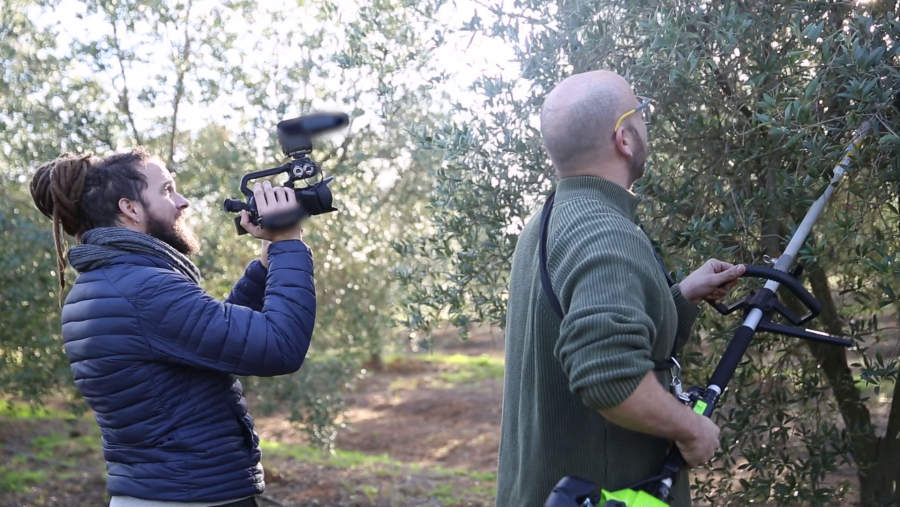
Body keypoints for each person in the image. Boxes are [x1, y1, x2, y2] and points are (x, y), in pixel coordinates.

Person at [495, 70, 747, 507]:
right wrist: (693, 428)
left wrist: (680, 297)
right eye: (641, 112)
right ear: (624, 138)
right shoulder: (606, 234)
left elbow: (575, 323)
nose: (646, 125)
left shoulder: (545, 222)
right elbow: (611, 376)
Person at [28, 148, 316, 507]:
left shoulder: (111, 284)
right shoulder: (142, 290)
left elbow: (213, 343)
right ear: (130, 209)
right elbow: (279, 346)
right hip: (190, 497)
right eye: (166, 190)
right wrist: (289, 243)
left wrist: (266, 259)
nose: (183, 202)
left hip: (163, 492)